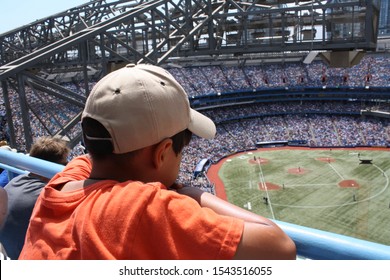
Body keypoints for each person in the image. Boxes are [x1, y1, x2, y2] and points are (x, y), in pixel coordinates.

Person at [19, 64, 296, 260]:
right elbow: (280, 247)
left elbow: (83, 161)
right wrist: (192, 193)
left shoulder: (60, 183)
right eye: (180, 151)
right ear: (162, 152)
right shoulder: (141, 208)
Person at [0, 136, 70, 259]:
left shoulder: (16, 179)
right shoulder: (45, 195)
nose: (67, 167)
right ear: (51, 166)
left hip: (8, 251)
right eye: (65, 164)